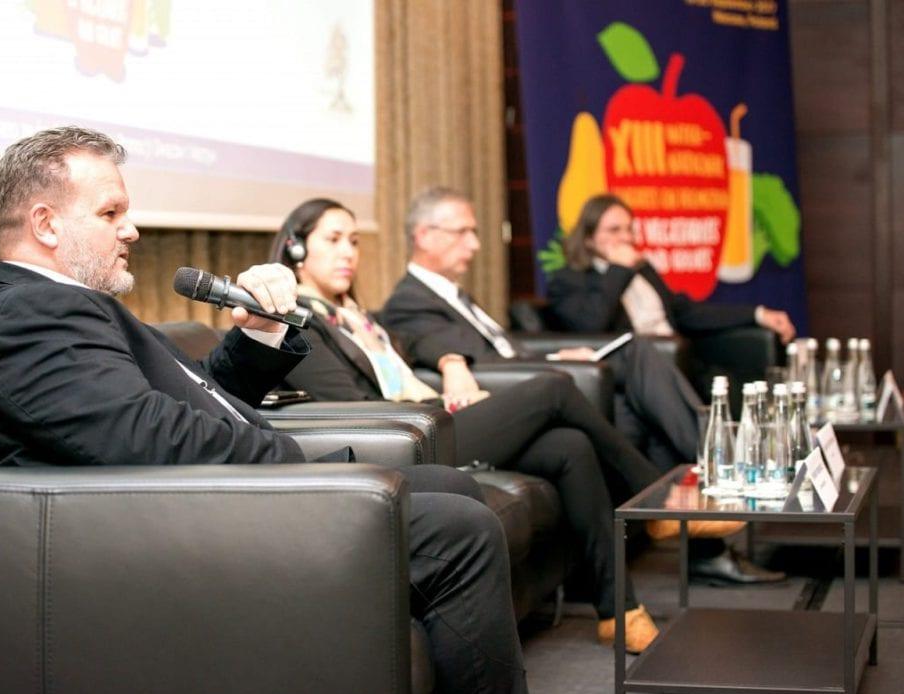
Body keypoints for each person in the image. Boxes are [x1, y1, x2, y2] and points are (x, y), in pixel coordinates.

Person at [0, 127, 529, 694]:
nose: (132, 230)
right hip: (185, 531)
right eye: (111, 213)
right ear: (46, 224)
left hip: (216, 497)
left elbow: (200, 395)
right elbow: (150, 440)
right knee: (461, 530)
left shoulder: (67, 305)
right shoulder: (28, 316)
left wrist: (261, 332)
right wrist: (299, 466)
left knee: (452, 486)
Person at [270, 198, 746, 653]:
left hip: (433, 420)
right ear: (296, 249)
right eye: (333, 240)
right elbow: (354, 409)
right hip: (405, 443)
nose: (348, 253)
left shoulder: (356, 316)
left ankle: (618, 612)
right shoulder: (298, 323)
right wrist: (437, 405)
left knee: (570, 445)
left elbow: (414, 341)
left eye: (354, 241)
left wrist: (452, 360)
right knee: (554, 388)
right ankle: (658, 500)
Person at [380, 187, 784, 586]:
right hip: (509, 400)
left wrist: (557, 356)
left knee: (635, 389)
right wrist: (458, 362)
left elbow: (503, 351)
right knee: (632, 365)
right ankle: (711, 467)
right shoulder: (410, 300)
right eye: (463, 232)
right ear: (424, 236)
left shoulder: (455, 295)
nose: (475, 244)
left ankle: (699, 523)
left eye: (474, 232)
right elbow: (459, 354)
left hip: (539, 377)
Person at [547, 192, 796, 344]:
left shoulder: (642, 269)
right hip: (638, 365)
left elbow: (685, 312)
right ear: (589, 238)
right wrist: (618, 270)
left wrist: (757, 314)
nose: (626, 238)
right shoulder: (569, 280)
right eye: (614, 230)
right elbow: (591, 325)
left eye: (629, 229)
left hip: (677, 351)